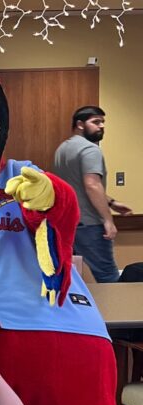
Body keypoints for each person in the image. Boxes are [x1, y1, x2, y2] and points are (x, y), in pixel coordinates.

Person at [53, 105, 133, 283]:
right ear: (80, 124)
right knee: (109, 277)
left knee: (67, 277)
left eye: (103, 122)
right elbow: (91, 184)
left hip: (67, 224)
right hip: (89, 225)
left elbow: (78, 186)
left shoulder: (62, 150)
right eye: (96, 122)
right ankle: (117, 310)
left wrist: (111, 203)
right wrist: (108, 220)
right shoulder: (90, 150)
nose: (101, 126)